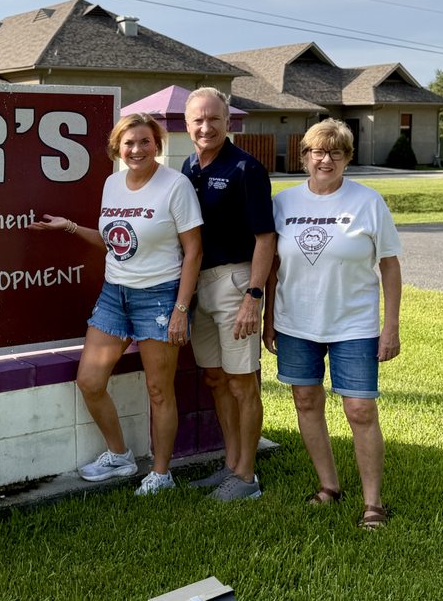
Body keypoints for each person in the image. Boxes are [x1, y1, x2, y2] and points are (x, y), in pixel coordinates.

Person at [31, 113, 202, 496]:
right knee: (90, 381)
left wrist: (180, 309)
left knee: (160, 392)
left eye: (144, 141)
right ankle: (120, 454)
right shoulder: (112, 183)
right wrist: (70, 228)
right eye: (129, 143)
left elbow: (194, 251)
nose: (136, 149)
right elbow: (115, 241)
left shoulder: (175, 185)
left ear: (157, 144)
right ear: (117, 147)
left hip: (159, 296)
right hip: (115, 294)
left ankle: (161, 473)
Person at [262, 118, 402, 530]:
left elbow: (390, 268)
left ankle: (373, 503)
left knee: (360, 408)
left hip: (353, 323)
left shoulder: (368, 202)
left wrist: (390, 326)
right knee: (306, 401)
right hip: (295, 322)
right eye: (317, 152)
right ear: (304, 157)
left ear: (347, 158)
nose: (325, 159)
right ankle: (329, 486)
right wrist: (270, 318)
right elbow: (272, 266)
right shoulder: (283, 203)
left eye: (335, 152)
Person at [180, 88, 276, 501]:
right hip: (198, 283)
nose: (206, 126)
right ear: (187, 125)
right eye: (198, 120)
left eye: (213, 119)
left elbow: (265, 237)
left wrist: (253, 296)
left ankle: (248, 478)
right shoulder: (189, 166)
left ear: (228, 121)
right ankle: (230, 465)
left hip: (235, 282)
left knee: (242, 383)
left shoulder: (245, 168)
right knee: (216, 379)